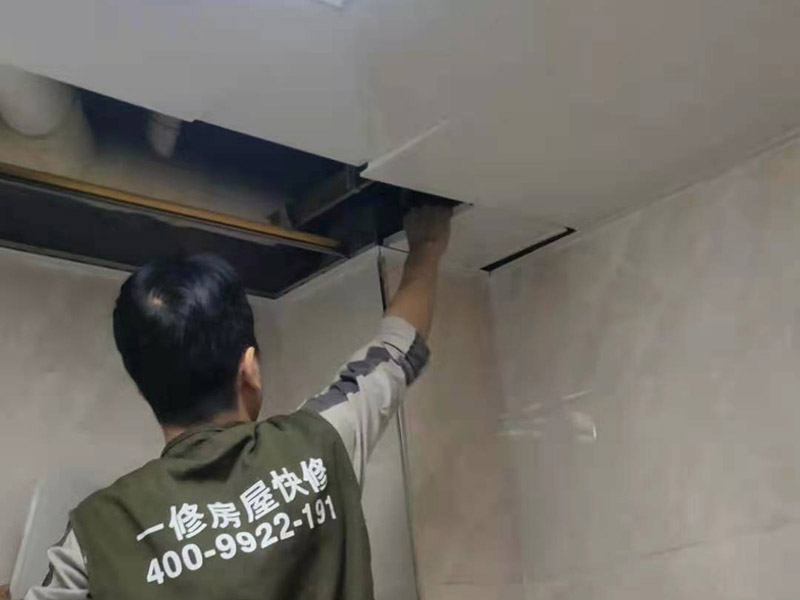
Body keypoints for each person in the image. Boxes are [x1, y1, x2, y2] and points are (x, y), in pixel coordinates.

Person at [22, 204, 451, 600]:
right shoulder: (321, 442)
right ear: (250, 369)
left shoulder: (93, 536)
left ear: (143, 388)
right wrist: (427, 245)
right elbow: (396, 349)